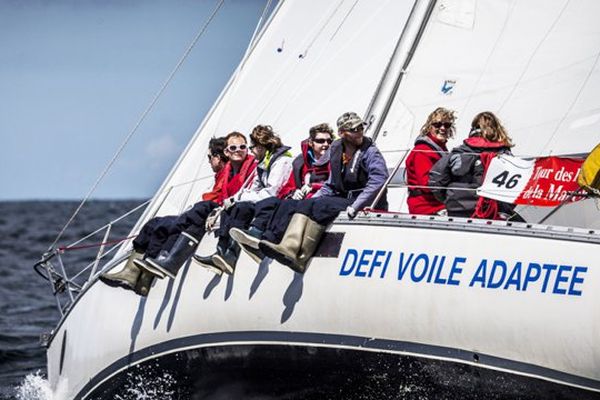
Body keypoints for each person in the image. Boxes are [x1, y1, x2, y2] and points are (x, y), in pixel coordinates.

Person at [259, 111, 389, 272]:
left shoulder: (370, 152)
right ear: (342, 133)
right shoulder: (337, 148)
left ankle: (300, 256)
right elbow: (331, 183)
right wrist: (311, 200)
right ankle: (279, 244)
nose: (358, 132)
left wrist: (356, 206)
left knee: (323, 206)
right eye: (353, 129)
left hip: (360, 199)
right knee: (306, 204)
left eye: (360, 127)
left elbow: (379, 180)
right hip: (343, 196)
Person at [99, 136, 230, 295]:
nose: (209, 162)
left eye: (209, 157)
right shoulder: (221, 174)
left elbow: (218, 198)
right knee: (153, 225)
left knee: (163, 226)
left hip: (203, 217)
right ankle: (132, 273)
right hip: (197, 214)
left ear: (217, 157)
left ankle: (144, 276)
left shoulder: (228, 172)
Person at [133, 131, 257, 282]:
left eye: (242, 146)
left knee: (191, 215)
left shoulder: (252, 167)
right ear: (226, 151)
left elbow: (220, 197)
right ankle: (143, 271)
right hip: (223, 209)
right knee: (161, 223)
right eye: (233, 148)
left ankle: (148, 272)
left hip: (236, 209)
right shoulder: (229, 171)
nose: (238, 150)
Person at [194, 125, 293, 274]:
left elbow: (273, 191)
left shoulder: (281, 161)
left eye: (250, 147)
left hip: (276, 202)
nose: (250, 151)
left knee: (242, 207)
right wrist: (235, 199)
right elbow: (254, 187)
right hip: (264, 201)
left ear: (261, 146)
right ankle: (222, 251)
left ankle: (233, 253)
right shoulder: (263, 162)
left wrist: (240, 198)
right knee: (230, 209)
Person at [229, 123, 334, 264]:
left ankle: (267, 243)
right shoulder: (300, 162)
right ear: (311, 142)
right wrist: (293, 192)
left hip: (317, 202)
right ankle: (238, 248)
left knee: (274, 203)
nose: (326, 144)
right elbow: (286, 187)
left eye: (329, 141)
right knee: (274, 203)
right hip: (299, 201)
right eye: (321, 141)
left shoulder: (334, 160)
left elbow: (336, 183)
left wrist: (314, 187)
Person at [429, 111, 519, 220]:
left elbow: (436, 179)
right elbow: (518, 186)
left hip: (457, 209)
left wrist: (448, 199)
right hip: (495, 211)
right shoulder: (506, 156)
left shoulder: (459, 153)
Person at [405, 108, 455, 215]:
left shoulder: (440, 149)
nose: (442, 128)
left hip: (439, 204)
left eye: (446, 125)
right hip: (427, 207)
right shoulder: (422, 151)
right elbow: (426, 184)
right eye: (437, 125)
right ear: (429, 127)